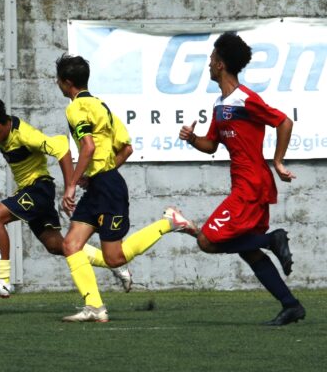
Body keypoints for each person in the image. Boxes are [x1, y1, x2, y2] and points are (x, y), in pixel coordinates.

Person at [0, 95, 134, 303]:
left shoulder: (25, 135)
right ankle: (115, 264)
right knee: (59, 246)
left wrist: (70, 187)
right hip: (31, 192)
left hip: (39, 189)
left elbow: (62, 148)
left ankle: (2, 279)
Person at [56, 54, 196, 322]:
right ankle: (95, 307)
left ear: (67, 82)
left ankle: (169, 223)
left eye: (59, 81)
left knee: (114, 258)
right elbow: (127, 148)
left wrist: (72, 184)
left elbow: (88, 147)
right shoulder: (103, 107)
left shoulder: (75, 108)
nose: (58, 85)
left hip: (107, 188)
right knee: (71, 245)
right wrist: (95, 173)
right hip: (100, 184)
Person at [178, 32, 305, 326]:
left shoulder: (245, 99)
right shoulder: (220, 104)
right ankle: (291, 305)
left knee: (207, 241)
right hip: (246, 184)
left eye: (211, 60)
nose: (209, 64)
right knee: (248, 250)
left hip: (251, 185)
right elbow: (211, 145)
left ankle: (273, 239)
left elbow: (284, 121)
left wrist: (277, 161)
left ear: (220, 64)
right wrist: (192, 138)